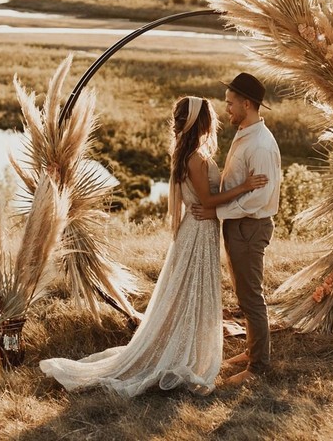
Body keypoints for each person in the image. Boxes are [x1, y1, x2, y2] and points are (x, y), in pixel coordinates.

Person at [39, 96, 267, 397]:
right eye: (210, 115)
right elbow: (207, 201)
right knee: (190, 290)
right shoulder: (195, 158)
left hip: (200, 227)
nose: (216, 119)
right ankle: (181, 352)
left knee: (191, 290)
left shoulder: (189, 152)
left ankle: (186, 345)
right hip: (199, 229)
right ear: (200, 121)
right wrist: (245, 186)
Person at [192, 73, 281, 386]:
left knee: (251, 296)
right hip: (239, 225)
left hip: (250, 226)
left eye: (230, 103)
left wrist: (216, 210)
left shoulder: (261, 145)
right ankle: (252, 351)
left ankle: (259, 367)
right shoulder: (245, 132)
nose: (226, 109)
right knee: (244, 294)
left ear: (247, 104)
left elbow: (260, 198)